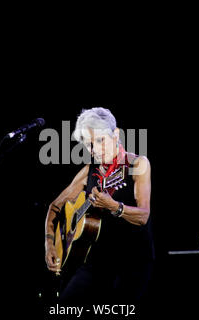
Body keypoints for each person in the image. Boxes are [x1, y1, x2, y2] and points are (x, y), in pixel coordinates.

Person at [44, 107, 155, 303]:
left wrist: (115, 207)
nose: (94, 150)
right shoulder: (90, 171)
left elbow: (143, 215)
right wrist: (49, 244)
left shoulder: (138, 164)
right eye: (89, 144)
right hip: (96, 262)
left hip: (132, 262)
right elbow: (55, 206)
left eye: (100, 140)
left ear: (116, 135)